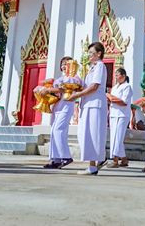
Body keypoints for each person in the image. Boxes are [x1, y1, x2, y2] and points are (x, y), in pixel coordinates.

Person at [67, 42, 108, 175]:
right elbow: (87, 86)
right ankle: (93, 164)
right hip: (88, 104)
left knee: (93, 134)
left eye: (91, 53)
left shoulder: (100, 66)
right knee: (87, 134)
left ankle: (93, 165)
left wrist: (77, 94)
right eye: (88, 53)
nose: (89, 55)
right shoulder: (92, 68)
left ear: (99, 53)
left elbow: (94, 86)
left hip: (95, 104)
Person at [44, 57, 75, 169]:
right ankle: (55, 159)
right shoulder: (59, 79)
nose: (64, 66)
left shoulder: (73, 78)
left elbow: (63, 90)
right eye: (62, 64)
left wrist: (48, 90)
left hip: (67, 105)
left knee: (58, 129)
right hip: (57, 106)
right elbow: (56, 92)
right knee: (53, 130)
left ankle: (66, 156)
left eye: (66, 64)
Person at [106, 67, 133, 168]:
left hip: (122, 114)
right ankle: (124, 159)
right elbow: (112, 100)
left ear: (124, 76)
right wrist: (109, 99)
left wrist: (111, 98)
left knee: (118, 137)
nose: (116, 77)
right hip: (114, 113)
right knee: (115, 137)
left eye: (118, 75)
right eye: (115, 75)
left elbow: (124, 102)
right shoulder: (115, 87)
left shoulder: (127, 87)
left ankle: (115, 160)